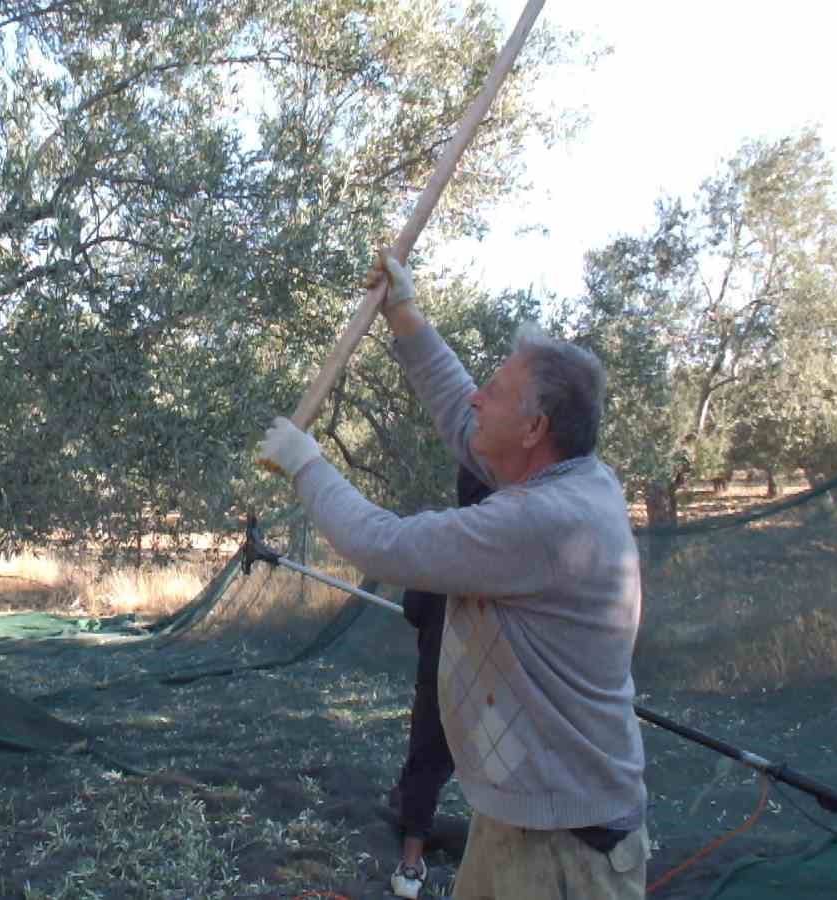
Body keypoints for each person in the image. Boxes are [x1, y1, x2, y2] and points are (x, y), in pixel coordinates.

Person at [255, 254, 649, 900]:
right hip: (518, 818)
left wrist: (307, 466)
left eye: (493, 390)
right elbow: (461, 417)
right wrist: (404, 314)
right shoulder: (563, 474)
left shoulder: (543, 521)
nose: (476, 396)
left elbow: (384, 545)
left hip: (567, 851)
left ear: (534, 429)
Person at [389, 465, 491, 900]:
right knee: (493, 767)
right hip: (493, 679)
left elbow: (413, 610)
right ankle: (495, 863)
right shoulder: (514, 545)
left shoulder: (438, 539)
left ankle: (410, 866)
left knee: (426, 762)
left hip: (438, 674)